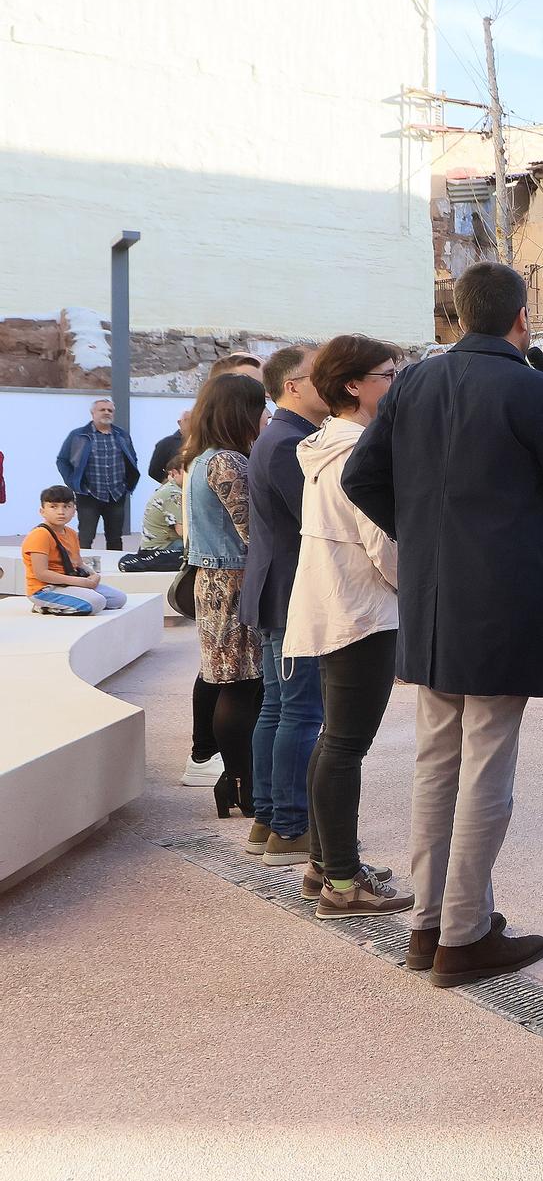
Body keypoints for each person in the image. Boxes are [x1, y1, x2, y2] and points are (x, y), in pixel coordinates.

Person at [343, 261, 543, 987]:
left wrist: (425, 536)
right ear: (521, 319)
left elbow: (362, 477)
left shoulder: (414, 382)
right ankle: (463, 935)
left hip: (433, 600)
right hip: (504, 600)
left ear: (458, 316)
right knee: (486, 763)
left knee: (435, 763)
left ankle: (429, 924)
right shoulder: (531, 387)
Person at [287, 335, 412, 918]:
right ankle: (342, 882)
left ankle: (326, 864)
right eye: (388, 374)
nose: (396, 383)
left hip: (338, 604)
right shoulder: (354, 451)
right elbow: (381, 541)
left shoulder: (325, 444)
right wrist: (418, 585)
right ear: (353, 386)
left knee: (334, 740)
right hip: (362, 610)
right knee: (344, 745)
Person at [241, 345, 331, 868]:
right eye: (319, 375)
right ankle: (289, 826)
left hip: (280, 591)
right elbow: (317, 517)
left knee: (279, 708)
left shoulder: (280, 436)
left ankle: (270, 819)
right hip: (290, 593)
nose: (330, 382)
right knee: (298, 711)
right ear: (292, 386)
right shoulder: (288, 442)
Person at [183, 373, 269, 819]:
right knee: (240, 683)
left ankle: (235, 781)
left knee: (229, 680)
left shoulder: (201, 459)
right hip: (233, 581)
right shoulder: (228, 462)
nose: (265, 414)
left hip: (214, 579)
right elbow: (253, 530)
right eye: (259, 406)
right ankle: (239, 783)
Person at [22, 485, 130, 616]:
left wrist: (93, 575)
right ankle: (43, 606)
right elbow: (41, 574)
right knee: (97, 602)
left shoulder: (71, 533)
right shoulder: (40, 535)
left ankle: (71, 600)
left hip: (69, 583)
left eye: (67, 506)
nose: (61, 512)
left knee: (118, 599)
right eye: (53, 507)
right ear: (42, 511)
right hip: (45, 589)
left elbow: (78, 563)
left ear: (74, 510)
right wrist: (79, 582)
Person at [54, 398, 143, 550]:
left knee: (115, 538)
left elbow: (132, 458)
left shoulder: (122, 435)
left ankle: (115, 564)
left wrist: (126, 485)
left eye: (110, 410)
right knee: (85, 537)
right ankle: (82, 564)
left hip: (116, 494)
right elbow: (62, 461)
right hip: (89, 495)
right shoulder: (78, 435)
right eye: (102, 410)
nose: (107, 413)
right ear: (93, 413)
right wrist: (74, 483)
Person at [120, 461, 186, 572]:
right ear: (174, 473)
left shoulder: (167, 488)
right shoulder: (173, 494)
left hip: (152, 547)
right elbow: (182, 532)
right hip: (162, 549)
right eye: (187, 472)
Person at [148, 409, 191, 485]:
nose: (191, 423)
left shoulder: (201, 442)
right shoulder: (166, 443)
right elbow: (154, 471)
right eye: (187, 420)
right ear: (179, 422)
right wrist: (171, 482)